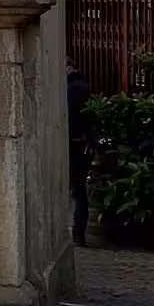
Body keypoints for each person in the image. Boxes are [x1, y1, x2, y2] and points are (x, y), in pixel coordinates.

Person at [67, 58, 92, 247]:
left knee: (68, 190)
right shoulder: (86, 87)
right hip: (83, 145)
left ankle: (70, 231)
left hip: (68, 144)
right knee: (80, 189)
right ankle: (79, 232)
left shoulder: (65, 89)